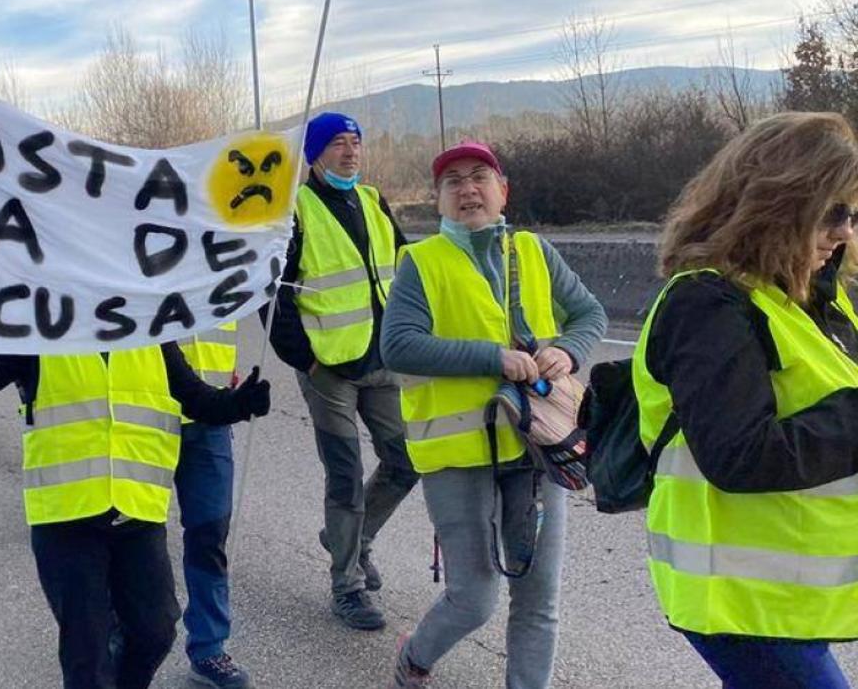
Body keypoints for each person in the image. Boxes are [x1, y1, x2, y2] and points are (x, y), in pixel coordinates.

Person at [0, 339, 271, 689]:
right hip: (66, 520)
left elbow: (194, 397)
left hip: (136, 511)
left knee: (155, 632)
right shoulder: (43, 331)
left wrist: (238, 404)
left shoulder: (148, 331)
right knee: (86, 655)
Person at [634, 112, 858, 689]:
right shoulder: (707, 305)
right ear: (780, 203)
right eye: (833, 213)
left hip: (789, 591)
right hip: (736, 596)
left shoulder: (811, 298)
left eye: (853, 215)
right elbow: (741, 454)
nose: (845, 233)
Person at [380, 141, 606, 688]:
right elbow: (399, 346)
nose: (468, 188)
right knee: (475, 598)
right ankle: (415, 658)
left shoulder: (534, 250)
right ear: (438, 200)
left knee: (538, 600)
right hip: (459, 455)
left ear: (503, 190)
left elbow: (589, 312)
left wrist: (569, 349)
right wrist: (494, 360)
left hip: (538, 447)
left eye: (479, 176)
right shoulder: (422, 262)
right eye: (452, 181)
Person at [267, 111, 418, 631]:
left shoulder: (373, 200)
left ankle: (351, 540)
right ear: (314, 154)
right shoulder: (294, 211)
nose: (350, 152)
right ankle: (347, 585)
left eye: (355, 142)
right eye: (336, 143)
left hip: (381, 361)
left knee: (405, 459)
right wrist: (304, 360)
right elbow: (275, 298)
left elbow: (406, 267)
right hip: (327, 368)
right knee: (345, 476)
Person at [172, 323, 251, 688]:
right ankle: (116, 632)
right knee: (128, 532)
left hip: (211, 413)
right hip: (139, 410)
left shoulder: (218, 263)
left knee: (210, 535)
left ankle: (208, 649)